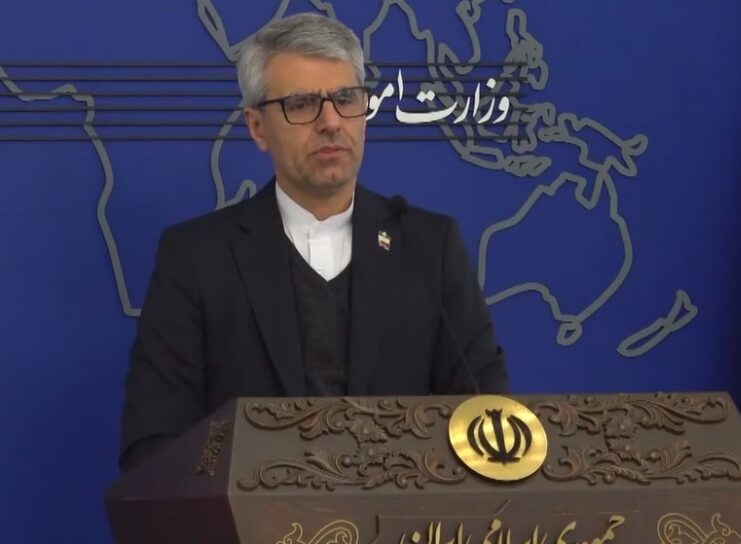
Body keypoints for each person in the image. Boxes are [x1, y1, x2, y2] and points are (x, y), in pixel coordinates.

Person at [118, 12, 508, 472]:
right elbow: (153, 449)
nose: (330, 122)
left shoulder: (429, 248)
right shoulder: (197, 258)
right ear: (257, 127)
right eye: (301, 104)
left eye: (345, 98)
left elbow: (489, 424)